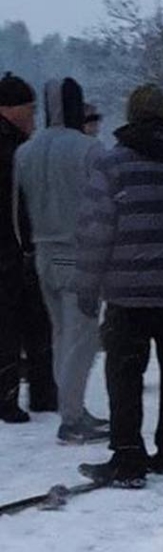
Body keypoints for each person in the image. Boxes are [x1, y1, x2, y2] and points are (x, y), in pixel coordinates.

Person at [77, 84, 163, 488]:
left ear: (131, 114)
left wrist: (87, 285)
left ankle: (128, 459)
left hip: (125, 293)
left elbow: (95, 231)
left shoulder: (111, 165)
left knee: (124, 375)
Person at [13, 77, 108, 442]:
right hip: (80, 255)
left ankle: (70, 407)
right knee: (81, 338)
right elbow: (104, 205)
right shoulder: (90, 150)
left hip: (42, 254)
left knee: (59, 335)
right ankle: (72, 418)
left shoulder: (26, 152)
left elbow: (14, 210)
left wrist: (27, 247)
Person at [0, 72, 56, 422]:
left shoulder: (18, 147)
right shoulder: (13, 152)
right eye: (28, 109)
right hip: (13, 253)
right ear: (8, 109)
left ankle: (40, 391)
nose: (33, 117)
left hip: (19, 251)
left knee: (30, 322)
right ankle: (16, 396)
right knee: (12, 325)